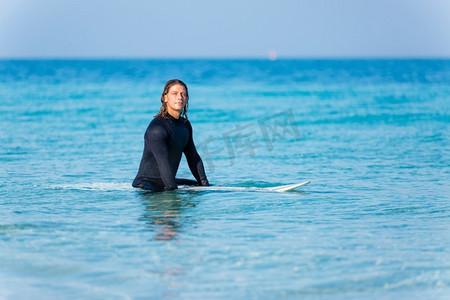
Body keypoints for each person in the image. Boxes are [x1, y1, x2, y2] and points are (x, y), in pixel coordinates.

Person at [132, 79, 209, 192]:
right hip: (146, 185)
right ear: (165, 98)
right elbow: (164, 163)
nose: (180, 97)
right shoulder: (157, 128)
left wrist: (205, 185)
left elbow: (193, 158)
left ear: (187, 98)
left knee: (197, 184)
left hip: (167, 180)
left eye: (183, 94)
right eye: (174, 94)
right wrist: (173, 193)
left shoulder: (185, 125)